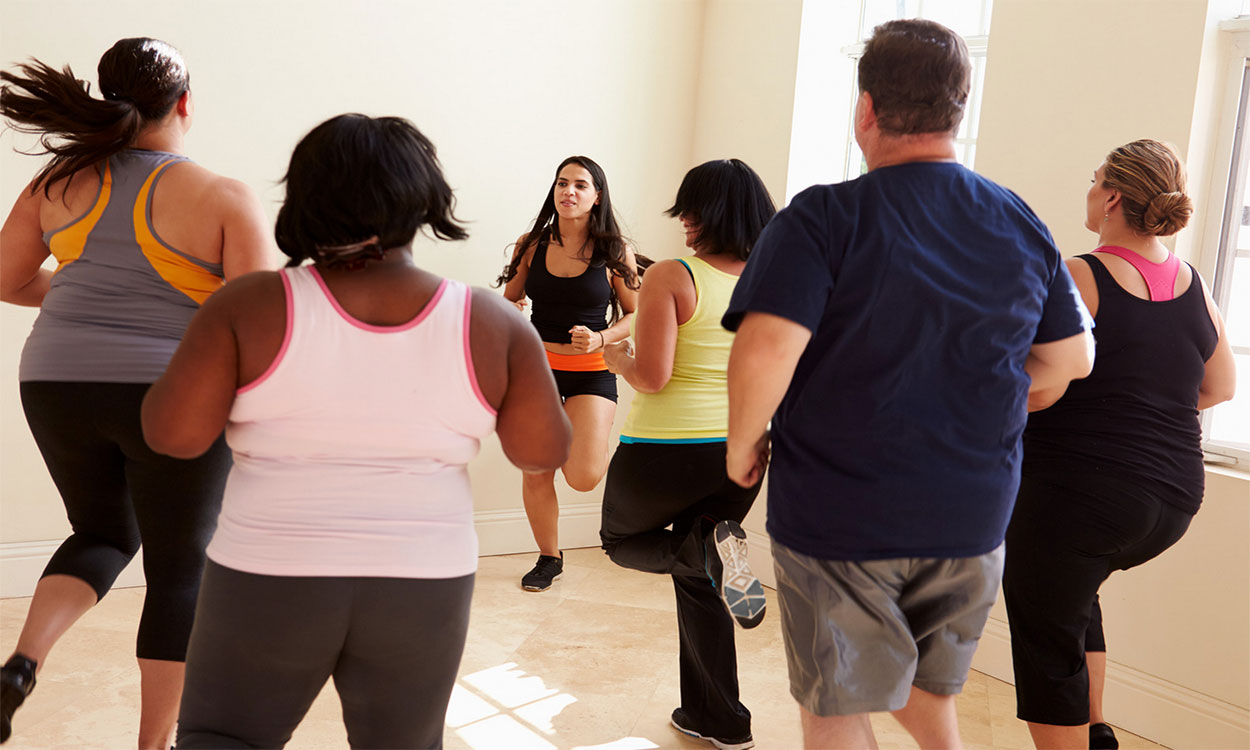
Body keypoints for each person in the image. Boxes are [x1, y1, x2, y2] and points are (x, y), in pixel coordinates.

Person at [141, 113, 572, 749]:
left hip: (270, 570)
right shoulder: (491, 320)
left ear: (306, 198)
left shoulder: (250, 304)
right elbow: (542, 452)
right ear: (423, 199)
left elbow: (172, 436)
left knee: (222, 738)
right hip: (424, 575)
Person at [722, 19, 1096, 749]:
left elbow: (767, 350)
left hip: (843, 514)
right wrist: (978, 396)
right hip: (973, 520)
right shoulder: (1019, 218)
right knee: (924, 689)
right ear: (960, 110)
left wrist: (742, 446)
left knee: (838, 706)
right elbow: (1072, 358)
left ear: (865, 109)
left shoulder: (824, 217)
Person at [0, 38, 272, 748]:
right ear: (184, 105)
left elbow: (6, 279)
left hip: (55, 384)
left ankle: (18, 669)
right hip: (169, 393)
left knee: (102, 533)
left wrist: (85, 289)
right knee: (180, 566)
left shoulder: (56, 183)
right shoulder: (220, 195)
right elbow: (256, 325)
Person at [1003, 140, 1236, 750]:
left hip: (1078, 497)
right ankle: (1096, 730)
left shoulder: (1082, 273)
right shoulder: (1191, 280)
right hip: (1174, 499)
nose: (1089, 189)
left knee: (1045, 635)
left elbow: (1041, 390)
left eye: (1095, 179)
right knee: (1074, 595)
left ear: (1111, 197)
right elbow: (1220, 386)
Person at [601, 159, 775, 750]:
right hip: (746, 450)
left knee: (623, 545)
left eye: (691, 209)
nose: (686, 221)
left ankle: (707, 550)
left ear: (712, 211)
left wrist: (614, 358)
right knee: (700, 576)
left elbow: (651, 376)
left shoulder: (674, 276)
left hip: (665, 450)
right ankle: (720, 720)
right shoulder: (780, 278)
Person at [498, 156, 641, 591]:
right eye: (563, 183)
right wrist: (512, 309)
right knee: (536, 470)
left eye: (580, 185)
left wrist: (601, 338)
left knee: (583, 477)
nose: (569, 192)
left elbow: (636, 314)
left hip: (591, 371)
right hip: (537, 371)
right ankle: (549, 557)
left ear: (597, 196)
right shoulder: (531, 244)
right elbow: (508, 299)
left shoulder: (615, 251)